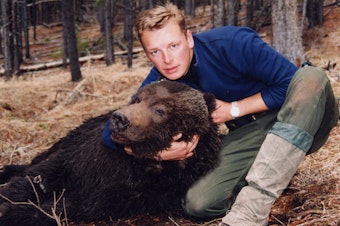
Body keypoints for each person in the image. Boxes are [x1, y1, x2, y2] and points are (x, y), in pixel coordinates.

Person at [102, 2, 339, 225]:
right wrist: (159, 154)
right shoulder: (159, 82)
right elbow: (108, 135)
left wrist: (234, 109)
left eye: (173, 45)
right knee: (197, 204)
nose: (167, 59)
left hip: (304, 119)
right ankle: (270, 177)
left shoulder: (232, 43)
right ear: (147, 55)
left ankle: (252, 209)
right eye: (155, 51)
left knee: (312, 77)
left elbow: (293, 83)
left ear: (188, 38)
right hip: (254, 135)